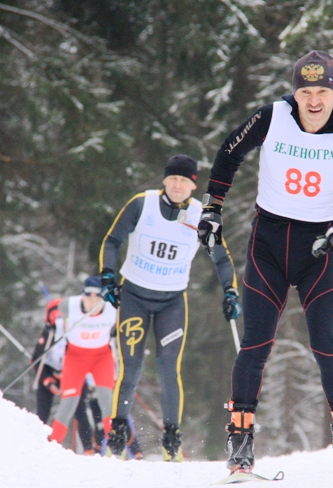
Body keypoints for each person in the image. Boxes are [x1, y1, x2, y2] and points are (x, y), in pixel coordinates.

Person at [197, 50, 333, 472]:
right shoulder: (273, 116)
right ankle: (240, 436)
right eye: (305, 91)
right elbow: (229, 152)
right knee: (255, 344)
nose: (314, 100)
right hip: (267, 243)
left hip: (318, 248)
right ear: (296, 93)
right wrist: (212, 207)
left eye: (322, 91)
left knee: (327, 344)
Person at [98, 154, 240, 461]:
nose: (178, 186)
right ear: (165, 180)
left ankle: (171, 441)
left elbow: (221, 257)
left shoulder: (201, 215)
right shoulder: (142, 204)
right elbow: (112, 240)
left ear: (193, 185)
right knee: (131, 366)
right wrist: (108, 276)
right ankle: (118, 437)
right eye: (173, 179)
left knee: (168, 368)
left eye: (184, 181)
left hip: (172, 302)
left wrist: (230, 291)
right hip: (134, 296)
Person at [48, 276, 117, 451]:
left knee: (107, 401)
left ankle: (115, 447)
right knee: (69, 402)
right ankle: (51, 447)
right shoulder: (70, 305)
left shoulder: (112, 308)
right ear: (82, 296)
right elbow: (51, 307)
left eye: (97, 298)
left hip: (102, 357)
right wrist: (52, 322)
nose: (93, 302)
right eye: (88, 297)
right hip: (75, 358)